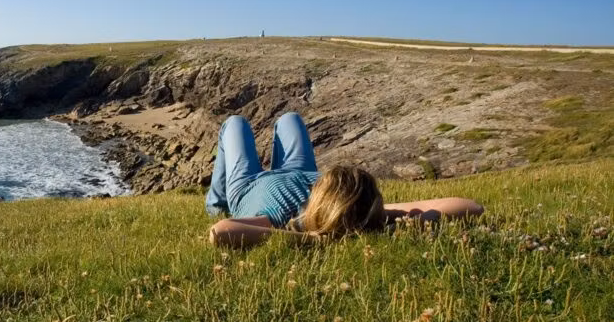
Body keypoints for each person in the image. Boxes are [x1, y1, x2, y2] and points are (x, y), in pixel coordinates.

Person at [206, 113, 484, 248]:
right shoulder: (360, 208)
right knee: (291, 118)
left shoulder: (284, 219)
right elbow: (471, 206)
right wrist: (392, 216)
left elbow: (220, 232)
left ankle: (217, 202)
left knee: (235, 123)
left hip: (251, 184)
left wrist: (312, 239)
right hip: (298, 171)